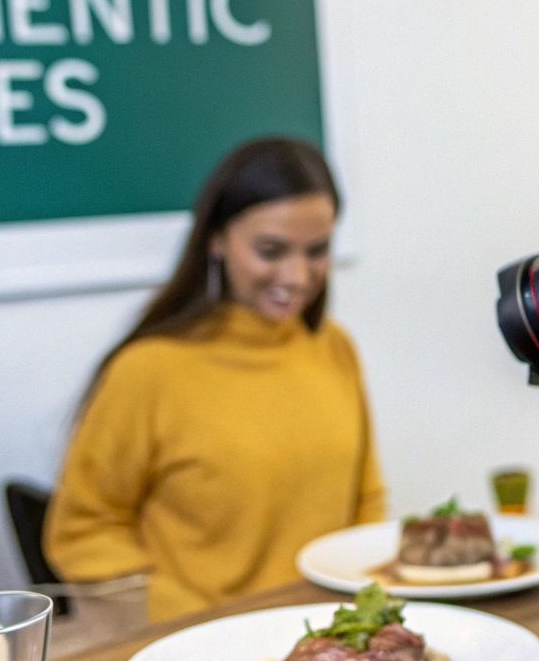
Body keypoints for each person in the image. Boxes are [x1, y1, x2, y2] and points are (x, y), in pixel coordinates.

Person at [46, 137, 385, 623]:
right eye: (271, 250)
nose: (297, 276)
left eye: (317, 251)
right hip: (203, 655)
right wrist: (195, 622)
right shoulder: (150, 370)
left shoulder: (333, 348)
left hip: (327, 645)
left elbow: (366, 503)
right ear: (217, 239)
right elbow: (83, 533)